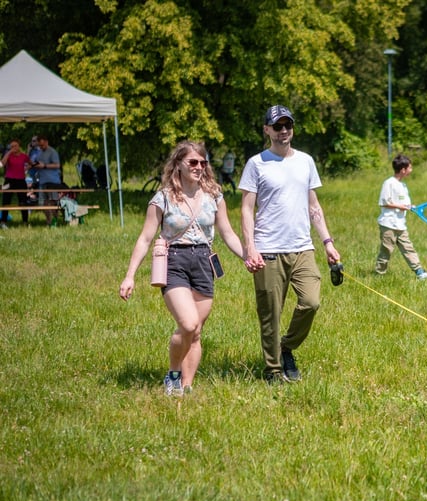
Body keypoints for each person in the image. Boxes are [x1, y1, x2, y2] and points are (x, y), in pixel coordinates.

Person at [119, 141, 246, 396]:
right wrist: (130, 275)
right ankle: (173, 374)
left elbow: (228, 232)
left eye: (203, 162)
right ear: (178, 164)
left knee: (197, 332)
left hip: (203, 262)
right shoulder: (163, 198)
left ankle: (186, 388)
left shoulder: (214, 196)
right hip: (174, 261)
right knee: (187, 324)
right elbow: (145, 238)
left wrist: (247, 256)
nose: (199, 167)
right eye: (193, 162)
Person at [239, 105, 341, 383]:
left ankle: (287, 348)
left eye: (288, 126)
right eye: (278, 126)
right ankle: (272, 370)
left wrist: (327, 242)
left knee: (311, 302)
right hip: (268, 249)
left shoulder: (306, 161)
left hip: (302, 247)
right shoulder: (256, 163)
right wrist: (250, 247)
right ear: (267, 130)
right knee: (270, 313)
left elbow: (313, 205)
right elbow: (247, 208)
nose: (283, 131)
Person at [375, 154, 427, 279]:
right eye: (410, 168)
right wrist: (402, 207)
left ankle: (420, 272)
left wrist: (409, 206)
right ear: (403, 169)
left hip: (400, 224)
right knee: (386, 250)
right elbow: (385, 202)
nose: (411, 170)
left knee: (408, 248)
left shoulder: (403, 185)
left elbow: (402, 203)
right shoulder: (389, 183)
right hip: (388, 224)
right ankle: (379, 274)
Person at [1, 139, 33, 227]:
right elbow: (2, 164)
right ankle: (3, 222)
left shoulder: (24, 156)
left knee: (23, 201)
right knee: (6, 200)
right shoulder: (8, 155)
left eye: (15, 146)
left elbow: (32, 163)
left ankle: (25, 222)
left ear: (19, 146)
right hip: (9, 181)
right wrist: (9, 152)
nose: (14, 148)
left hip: (21, 181)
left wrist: (26, 168)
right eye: (11, 146)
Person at [31, 135, 61, 224]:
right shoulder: (39, 152)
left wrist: (44, 166)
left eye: (43, 145)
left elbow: (57, 165)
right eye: (40, 145)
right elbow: (37, 163)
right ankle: (48, 221)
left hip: (53, 182)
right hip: (42, 182)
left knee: (52, 202)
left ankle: (55, 220)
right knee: (44, 203)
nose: (41, 147)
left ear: (47, 142)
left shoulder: (52, 152)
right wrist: (31, 165)